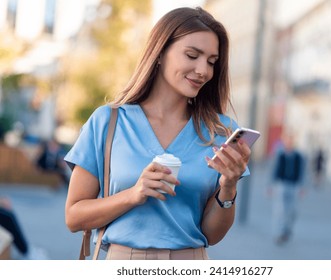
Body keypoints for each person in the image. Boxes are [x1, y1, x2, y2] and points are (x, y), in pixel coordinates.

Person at [64, 7, 252, 260]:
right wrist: (133, 194)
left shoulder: (220, 132)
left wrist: (228, 188)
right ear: (160, 52)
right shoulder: (108, 121)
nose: (203, 71)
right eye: (192, 55)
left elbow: (211, 234)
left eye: (211, 62)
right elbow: (74, 217)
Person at [268, 132, 305, 245]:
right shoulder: (280, 155)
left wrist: (302, 186)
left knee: (292, 211)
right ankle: (279, 232)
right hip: (281, 184)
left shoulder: (298, 156)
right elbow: (273, 170)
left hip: (294, 185)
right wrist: (270, 185)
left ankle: (287, 229)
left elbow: (302, 172)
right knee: (280, 210)